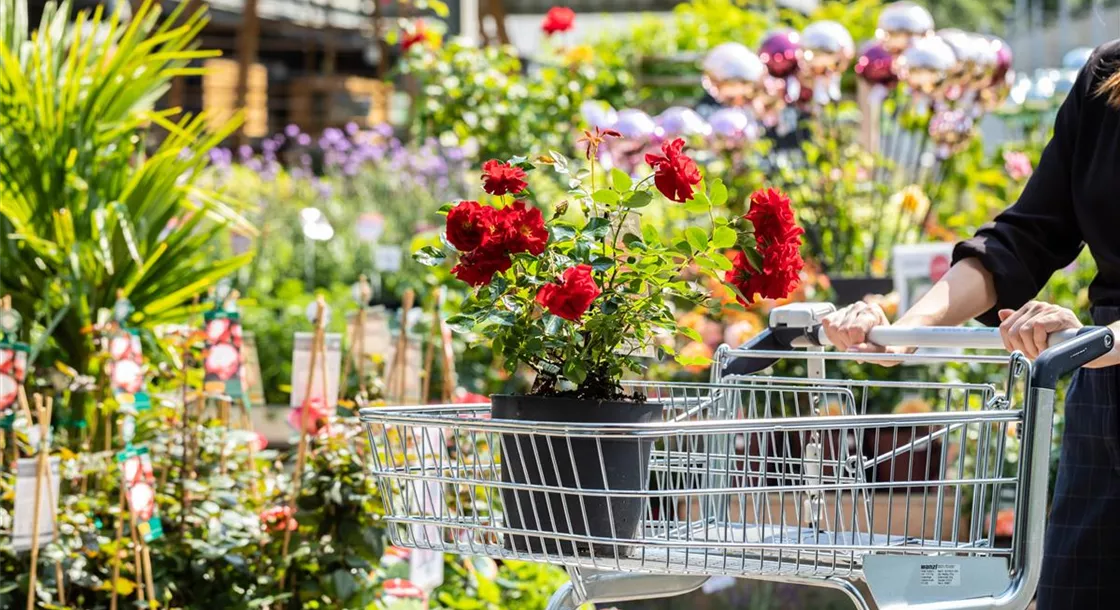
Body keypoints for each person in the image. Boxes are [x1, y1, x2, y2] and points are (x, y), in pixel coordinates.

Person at [822, 39, 1120, 609]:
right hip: (1106, 402)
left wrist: (1098, 340)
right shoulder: (1107, 75)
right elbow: (1028, 233)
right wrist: (906, 332)